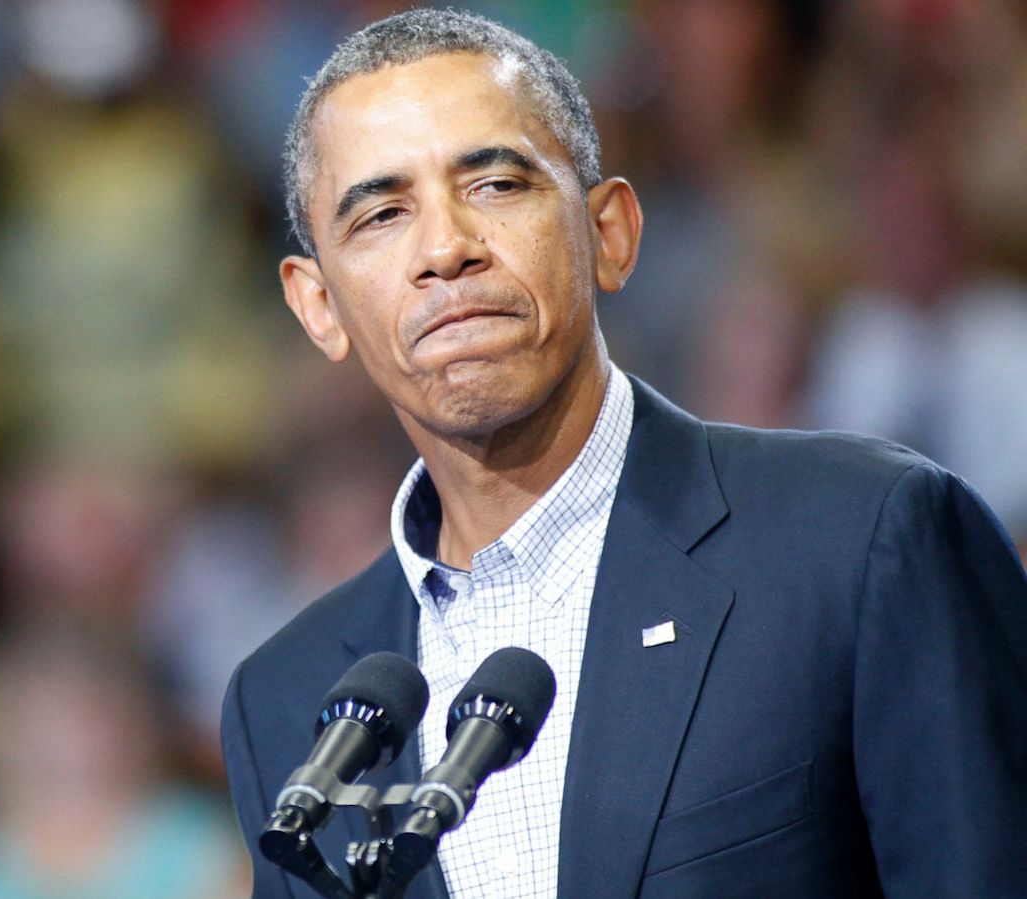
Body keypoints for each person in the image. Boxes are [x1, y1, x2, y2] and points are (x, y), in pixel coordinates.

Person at [219, 9, 1027, 899]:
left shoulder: (862, 542)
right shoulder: (287, 702)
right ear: (318, 306)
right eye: (381, 213)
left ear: (610, 232)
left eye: (494, 184)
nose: (444, 249)